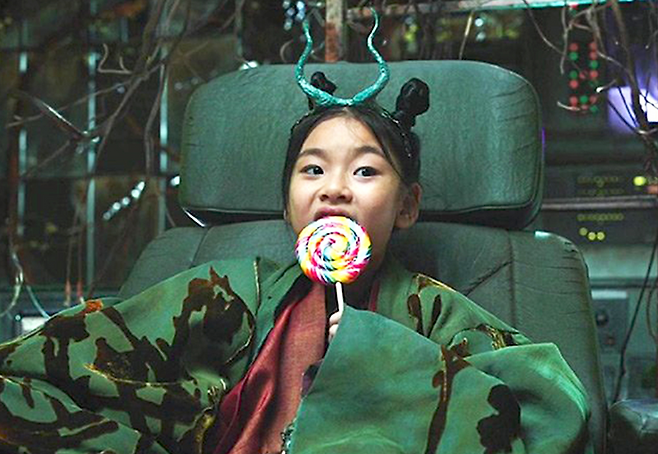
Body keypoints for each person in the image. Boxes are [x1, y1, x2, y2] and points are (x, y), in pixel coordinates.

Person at [0, 13, 591, 454]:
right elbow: (46, 367)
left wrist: (390, 359)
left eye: (365, 171)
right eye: (312, 170)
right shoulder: (225, 290)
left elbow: (555, 415)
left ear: (407, 206)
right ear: (287, 205)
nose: (334, 189)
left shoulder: (436, 314)